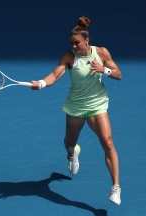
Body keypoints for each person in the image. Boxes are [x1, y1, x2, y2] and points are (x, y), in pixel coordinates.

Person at [30, 16, 122, 205]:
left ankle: (115, 187)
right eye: (71, 43)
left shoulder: (102, 53)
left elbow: (118, 75)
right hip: (76, 106)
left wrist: (104, 70)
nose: (73, 46)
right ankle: (72, 154)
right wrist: (41, 83)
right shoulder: (69, 57)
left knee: (108, 142)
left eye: (77, 43)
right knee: (70, 142)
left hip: (97, 104)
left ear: (87, 40)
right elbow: (54, 76)